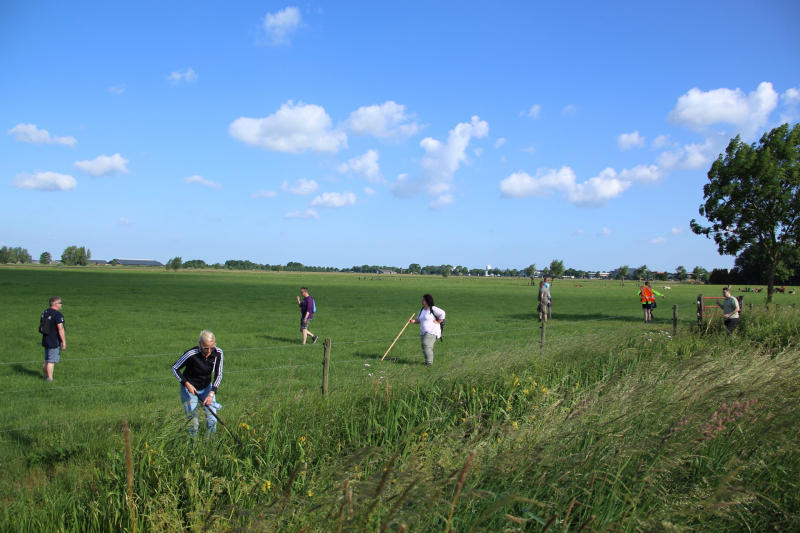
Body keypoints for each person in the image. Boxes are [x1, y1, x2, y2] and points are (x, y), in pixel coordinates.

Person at [172, 330, 224, 437]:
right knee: (193, 422)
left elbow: (218, 375)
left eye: (212, 347)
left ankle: (209, 444)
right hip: (190, 390)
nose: (209, 351)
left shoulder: (218, 353)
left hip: (207, 388)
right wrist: (187, 384)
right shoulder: (191, 354)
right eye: (206, 348)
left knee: (212, 419)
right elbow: (175, 368)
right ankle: (193, 448)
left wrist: (211, 394)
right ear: (200, 344)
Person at [408, 294, 445, 365]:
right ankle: (428, 362)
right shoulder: (422, 310)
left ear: (428, 301)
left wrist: (438, 321)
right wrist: (412, 321)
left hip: (432, 331)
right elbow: (418, 320)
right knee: (426, 346)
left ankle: (429, 363)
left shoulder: (433, 309)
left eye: (423, 300)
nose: (422, 301)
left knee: (425, 344)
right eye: (422, 300)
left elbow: (442, 313)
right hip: (423, 332)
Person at [41, 296, 66, 381]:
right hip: (54, 340)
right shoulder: (57, 314)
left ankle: (44, 377)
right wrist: (64, 341)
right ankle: (50, 379)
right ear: (56, 304)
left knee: (46, 359)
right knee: (51, 361)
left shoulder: (45, 312)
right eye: (60, 303)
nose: (61, 305)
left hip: (46, 338)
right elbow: (60, 328)